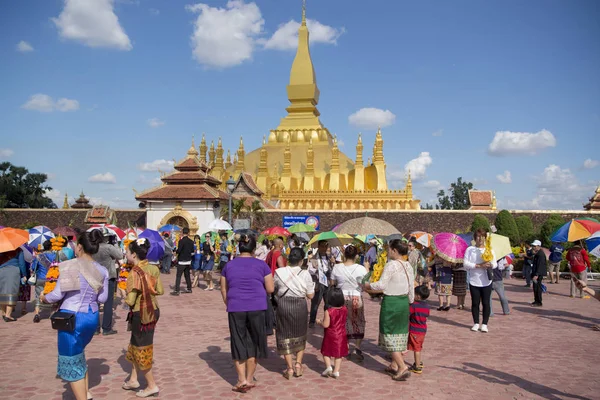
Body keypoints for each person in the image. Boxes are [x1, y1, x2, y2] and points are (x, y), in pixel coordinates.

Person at [40, 230, 109, 400]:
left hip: (72, 317)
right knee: (79, 353)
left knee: (70, 358)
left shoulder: (71, 265)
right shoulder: (102, 270)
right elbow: (103, 298)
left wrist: (44, 297)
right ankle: (85, 393)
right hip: (91, 317)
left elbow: (57, 295)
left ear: (79, 247)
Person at [220, 234, 274, 393]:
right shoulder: (261, 265)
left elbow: (224, 288)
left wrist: (229, 302)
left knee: (238, 341)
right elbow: (270, 289)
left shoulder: (228, 265)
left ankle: (241, 379)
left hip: (235, 306)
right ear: (253, 248)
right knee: (254, 342)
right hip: (258, 306)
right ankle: (249, 379)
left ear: (239, 247)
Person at [363, 239, 414, 381]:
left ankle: (402, 367)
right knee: (400, 334)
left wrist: (367, 285)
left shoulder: (391, 265)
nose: (388, 251)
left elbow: (381, 285)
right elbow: (411, 287)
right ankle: (394, 365)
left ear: (395, 251)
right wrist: (409, 302)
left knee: (390, 335)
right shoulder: (408, 265)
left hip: (391, 303)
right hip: (404, 302)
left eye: (389, 249)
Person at [121, 238, 164, 398]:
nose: (125, 254)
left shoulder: (134, 273)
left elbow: (131, 300)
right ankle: (133, 379)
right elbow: (160, 291)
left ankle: (151, 385)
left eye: (126, 252)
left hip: (141, 313)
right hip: (154, 310)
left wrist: (123, 294)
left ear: (133, 254)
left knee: (141, 348)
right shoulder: (153, 268)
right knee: (135, 343)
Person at [274, 247, 315, 379]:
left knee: (284, 335)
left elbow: (274, 289)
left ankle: (289, 368)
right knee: (301, 333)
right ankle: (298, 364)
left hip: (284, 305)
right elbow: (310, 295)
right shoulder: (305, 274)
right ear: (301, 260)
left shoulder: (279, 272)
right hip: (300, 306)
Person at [331, 245, 368, 360]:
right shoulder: (361, 268)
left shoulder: (337, 267)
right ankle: (356, 347)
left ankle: (345, 346)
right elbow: (365, 284)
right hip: (356, 297)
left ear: (344, 255)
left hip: (341, 297)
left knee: (342, 322)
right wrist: (367, 269)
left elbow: (332, 282)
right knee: (359, 321)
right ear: (356, 256)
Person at [463, 229, 496, 333]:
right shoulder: (470, 249)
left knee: (486, 303)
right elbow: (465, 264)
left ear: (485, 238)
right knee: (475, 303)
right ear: (474, 238)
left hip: (486, 281)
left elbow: (495, 264)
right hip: (474, 280)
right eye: (478, 237)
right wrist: (478, 265)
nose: (480, 239)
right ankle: (476, 323)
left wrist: (489, 264)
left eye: (482, 237)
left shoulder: (489, 250)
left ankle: (485, 324)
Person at [92, 231, 123, 335]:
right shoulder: (108, 247)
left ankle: (95, 328)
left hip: (95, 276)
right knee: (108, 302)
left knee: (94, 302)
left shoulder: (91, 248)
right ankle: (106, 328)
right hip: (108, 276)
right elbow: (120, 255)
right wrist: (115, 244)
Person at [316, 287, 348, 378]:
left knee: (326, 352)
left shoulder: (329, 311)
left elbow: (326, 324)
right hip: (341, 334)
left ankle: (329, 367)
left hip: (331, 334)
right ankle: (336, 371)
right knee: (339, 354)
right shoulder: (344, 309)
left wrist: (319, 322)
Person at [308, 240, 335, 328]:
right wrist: (318, 271)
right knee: (315, 304)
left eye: (325, 246)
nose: (324, 248)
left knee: (328, 303)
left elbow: (333, 270)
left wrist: (333, 263)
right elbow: (310, 271)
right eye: (322, 246)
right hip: (318, 283)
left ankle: (326, 319)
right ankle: (312, 321)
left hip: (327, 282)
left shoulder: (329, 257)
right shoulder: (313, 258)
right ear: (318, 247)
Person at [408, 285, 430, 374]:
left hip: (414, 330)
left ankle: (417, 366)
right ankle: (418, 362)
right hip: (423, 330)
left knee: (416, 349)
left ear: (418, 296)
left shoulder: (414, 305)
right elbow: (427, 315)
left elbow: (408, 313)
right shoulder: (427, 306)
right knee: (419, 346)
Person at [31, 240, 56, 322]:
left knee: (38, 296)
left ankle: (37, 314)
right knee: (52, 296)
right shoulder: (55, 256)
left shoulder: (38, 256)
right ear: (51, 247)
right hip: (51, 279)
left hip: (40, 278)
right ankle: (52, 314)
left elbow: (34, 267)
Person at [0, 248, 27, 322]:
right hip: (13, 271)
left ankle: (4, 312)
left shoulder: (1, 248)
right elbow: (22, 263)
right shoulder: (18, 250)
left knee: (2, 292)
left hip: (1, 270)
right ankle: (8, 315)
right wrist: (24, 274)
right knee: (12, 291)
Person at [171, 228, 194, 296]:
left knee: (178, 276)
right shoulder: (191, 241)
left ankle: (177, 290)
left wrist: (175, 252)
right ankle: (189, 288)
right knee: (187, 275)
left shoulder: (181, 241)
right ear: (188, 233)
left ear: (182, 233)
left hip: (182, 261)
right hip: (188, 260)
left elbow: (179, 250)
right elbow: (192, 250)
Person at [531, 240, 547, 307]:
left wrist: (537, 274)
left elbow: (540, 265)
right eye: (533, 246)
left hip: (538, 274)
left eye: (534, 246)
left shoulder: (541, 254)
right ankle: (536, 300)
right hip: (536, 272)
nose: (533, 247)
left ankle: (539, 302)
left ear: (538, 246)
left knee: (538, 288)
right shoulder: (538, 253)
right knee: (535, 287)